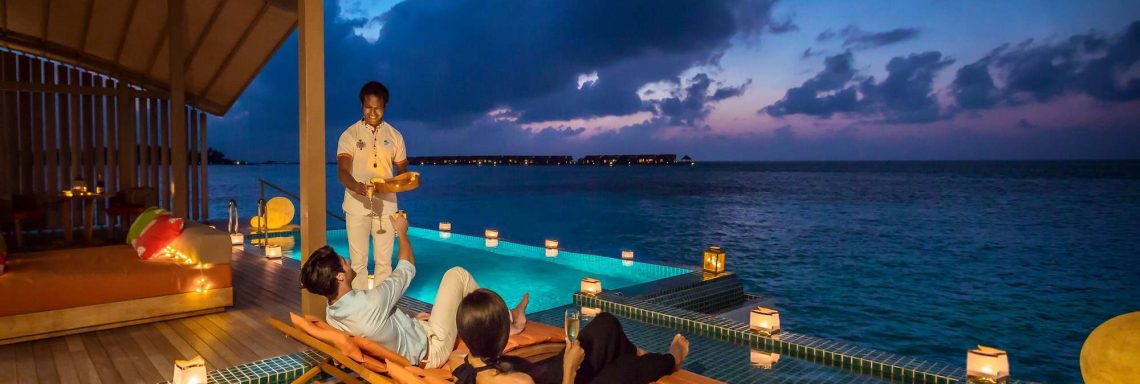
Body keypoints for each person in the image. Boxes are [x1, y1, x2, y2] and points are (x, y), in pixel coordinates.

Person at [299, 215, 529, 369]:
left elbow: (377, 332)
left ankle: (501, 318)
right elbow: (407, 265)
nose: (348, 261)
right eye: (343, 261)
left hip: (419, 334)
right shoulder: (372, 302)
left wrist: (407, 322)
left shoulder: (332, 313)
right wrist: (402, 232)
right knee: (457, 274)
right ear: (339, 276)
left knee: (446, 301)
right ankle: (506, 321)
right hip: (433, 349)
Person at [453, 289, 690, 384]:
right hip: (564, 379)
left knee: (605, 324)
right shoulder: (517, 383)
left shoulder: (468, 362)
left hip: (547, 375)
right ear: (501, 336)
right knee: (624, 370)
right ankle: (671, 359)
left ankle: (631, 350)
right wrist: (569, 367)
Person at [336, 81, 407, 288]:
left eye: (378, 108)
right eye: (368, 107)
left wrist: (406, 181)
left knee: (384, 263)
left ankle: (379, 311)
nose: (373, 112)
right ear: (362, 105)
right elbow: (342, 172)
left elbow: (402, 171)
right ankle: (359, 310)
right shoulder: (350, 134)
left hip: (386, 206)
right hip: (356, 205)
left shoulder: (395, 136)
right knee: (358, 263)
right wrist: (358, 187)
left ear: (384, 107)